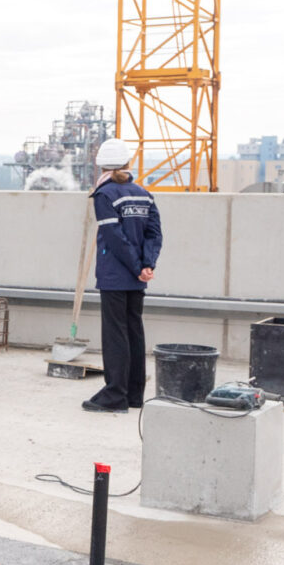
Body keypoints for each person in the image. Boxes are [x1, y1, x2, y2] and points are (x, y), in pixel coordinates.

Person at [84, 138, 163, 413]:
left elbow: (114, 238)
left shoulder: (105, 195)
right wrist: (146, 265)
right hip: (137, 276)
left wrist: (134, 267)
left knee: (115, 333)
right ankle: (134, 394)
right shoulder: (143, 193)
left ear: (101, 166)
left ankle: (115, 394)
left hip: (116, 274)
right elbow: (154, 233)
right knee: (134, 330)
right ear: (128, 163)